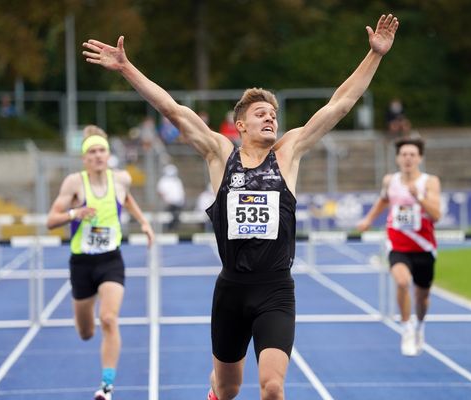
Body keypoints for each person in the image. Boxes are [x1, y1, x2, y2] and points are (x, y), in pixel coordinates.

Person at [82, 13, 398, 399]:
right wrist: (127, 68)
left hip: (276, 290)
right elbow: (173, 110)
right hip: (231, 290)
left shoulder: (288, 154)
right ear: (241, 125)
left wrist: (375, 55)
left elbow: (340, 104)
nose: (271, 119)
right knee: (228, 390)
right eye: (261, 114)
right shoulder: (220, 155)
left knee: (272, 387)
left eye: (274, 115)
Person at [46, 125, 155, 400]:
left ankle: (106, 386)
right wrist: (76, 212)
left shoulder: (121, 179)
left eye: (102, 151)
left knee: (109, 318)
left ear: (109, 155)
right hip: (82, 264)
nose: (97, 156)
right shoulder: (74, 183)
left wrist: (144, 222)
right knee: (85, 332)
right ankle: (88, 325)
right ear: (84, 158)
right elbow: (51, 220)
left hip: (111, 261)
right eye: (92, 152)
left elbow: (126, 199)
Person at [357, 136, 441, 357]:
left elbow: (437, 215)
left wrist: (419, 197)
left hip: (424, 246)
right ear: (397, 158)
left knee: (422, 297)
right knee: (402, 282)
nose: (408, 159)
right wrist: (368, 219)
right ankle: (406, 328)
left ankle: (420, 325)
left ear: (420, 158)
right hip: (397, 244)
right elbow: (383, 200)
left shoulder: (429, 182)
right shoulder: (390, 180)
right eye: (404, 154)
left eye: (412, 155)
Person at [156, 164, 185, 231]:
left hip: (178, 204)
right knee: (170, 216)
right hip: (169, 204)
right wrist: (166, 201)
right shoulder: (163, 180)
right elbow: (160, 192)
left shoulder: (177, 180)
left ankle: (173, 228)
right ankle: (168, 229)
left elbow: (181, 193)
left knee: (176, 216)